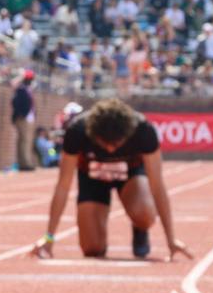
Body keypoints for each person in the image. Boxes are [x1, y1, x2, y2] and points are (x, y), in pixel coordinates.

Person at [34, 97, 190, 261]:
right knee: (92, 249)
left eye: (116, 144)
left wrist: (170, 239)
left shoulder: (143, 130)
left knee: (144, 212)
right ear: (93, 133)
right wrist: (49, 238)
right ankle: (98, 226)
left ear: (128, 134)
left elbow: (157, 185)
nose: (110, 149)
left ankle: (140, 228)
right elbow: (63, 186)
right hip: (92, 177)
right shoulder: (77, 131)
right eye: (104, 143)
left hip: (131, 175)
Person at [11, 68, 37, 170]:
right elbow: (15, 102)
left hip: (29, 118)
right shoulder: (21, 89)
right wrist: (20, 114)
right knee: (24, 141)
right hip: (23, 118)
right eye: (29, 79)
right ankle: (24, 163)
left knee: (27, 141)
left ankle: (26, 162)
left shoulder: (28, 89)